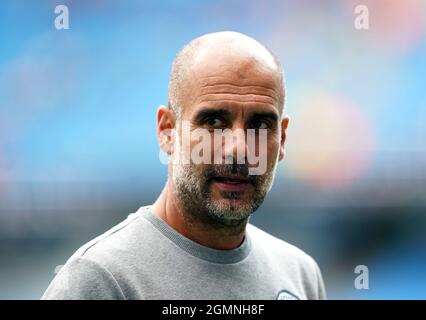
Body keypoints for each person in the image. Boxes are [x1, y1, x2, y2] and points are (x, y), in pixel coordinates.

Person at [42, 31, 326, 300]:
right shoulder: (101, 280)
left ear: (283, 138)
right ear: (167, 131)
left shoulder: (300, 275)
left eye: (260, 124)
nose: (238, 149)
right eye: (214, 122)